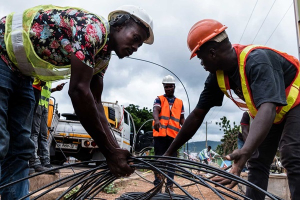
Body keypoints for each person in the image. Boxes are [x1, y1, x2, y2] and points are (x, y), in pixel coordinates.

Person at [0, 5, 154, 199]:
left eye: (139, 46)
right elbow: (79, 92)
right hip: (1, 55)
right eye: (136, 39)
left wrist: (115, 150)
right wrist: (109, 152)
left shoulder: (103, 57)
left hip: (22, 74)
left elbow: (96, 104)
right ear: (119, 25)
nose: (135, 48)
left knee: (21, 148)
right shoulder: (93, 29)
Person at [163, 19, 300, 200]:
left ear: (212, 53)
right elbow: (198, 114)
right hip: (274, 113)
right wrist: (169, 152)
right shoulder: (217, 76)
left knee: (292, 154)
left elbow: (267, 108)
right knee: (257, 161)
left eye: (200, 58)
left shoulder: (257, 61)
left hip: (295, 104)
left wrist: (245, 150)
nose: (201, 64)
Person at [152, 75, 185, 193]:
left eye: (170, 86)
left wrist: (185, 127)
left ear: (174, 87)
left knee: (172, 162)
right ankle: (158, 185)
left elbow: (182, 118)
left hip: (173, 137)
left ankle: (170, 186)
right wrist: (156, 120)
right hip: (160, 135)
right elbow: (155, 110)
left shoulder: (180, 102)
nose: (168, 89)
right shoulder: (159, 99)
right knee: (159, 159)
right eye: (166, 87)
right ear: (164, 87)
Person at [29, 81, 66, 174]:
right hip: (37, 103)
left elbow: (46, 91)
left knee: (43, 135)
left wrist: (55, 89)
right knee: (34, 133)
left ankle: (46, 162)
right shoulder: (42, 72)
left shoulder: (49, 77)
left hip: (45, 105)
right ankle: (34, 162)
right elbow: (34, 85)